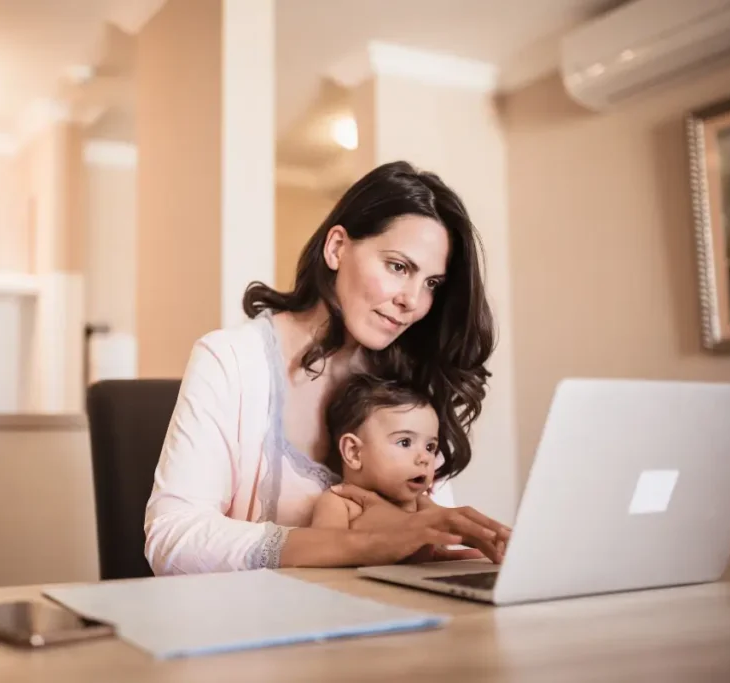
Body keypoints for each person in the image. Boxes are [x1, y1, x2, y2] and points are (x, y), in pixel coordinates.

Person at [144, 160, 511, 575]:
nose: (413, 301)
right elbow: (173, 540)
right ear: (337, 248)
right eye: (398, 267)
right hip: (252, 629)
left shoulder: (408, 381)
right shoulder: (229, 359)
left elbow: (425, 529)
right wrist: (361, 544)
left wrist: (459, 544)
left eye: (431, 284)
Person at [310, 373, 441, 528]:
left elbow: (442, 549)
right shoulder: (340, 504)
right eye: (405, 442)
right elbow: (323, 551)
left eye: (430, 447)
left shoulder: (423, 505)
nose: (424, 458)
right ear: (354, 452)